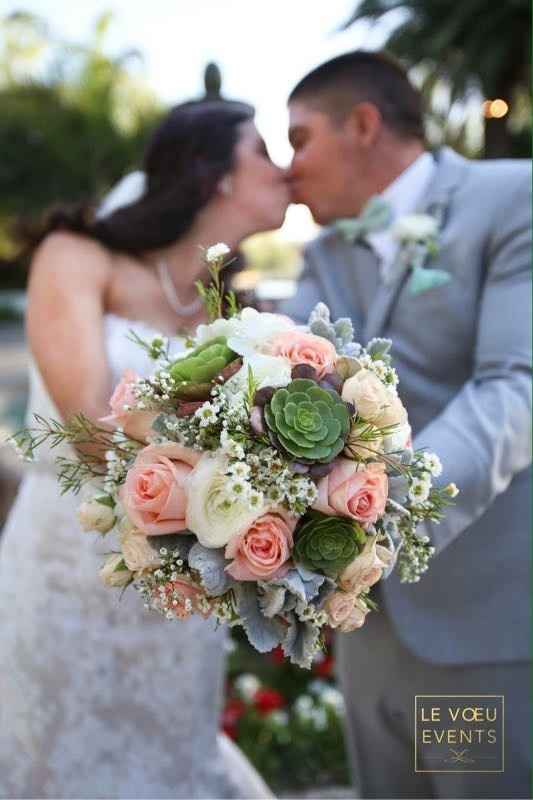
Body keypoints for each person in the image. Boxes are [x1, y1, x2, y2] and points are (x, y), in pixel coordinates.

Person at [0, 99, 288, 799]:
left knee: (172, 753)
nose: (283, 170)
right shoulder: (77, 256)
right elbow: (89, 432)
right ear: (214, 172)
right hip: (73, 566)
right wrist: (240, 478)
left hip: (185, 580)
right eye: (263, 150)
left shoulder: (231, 311)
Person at [281, 51, 531, 799]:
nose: (290, 168)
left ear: (362, 125)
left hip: (475, 613)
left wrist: (385, 509)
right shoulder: (323, 252)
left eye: (299, 139)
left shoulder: (512, 198)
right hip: (364, 622)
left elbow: (515, 385)